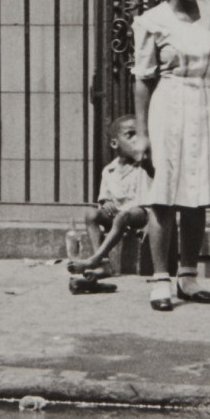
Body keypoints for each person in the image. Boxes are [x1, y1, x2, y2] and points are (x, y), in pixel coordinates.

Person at [129, 0, 210, 313]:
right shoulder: (152, 21)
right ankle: (161, 279)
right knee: (162, 195)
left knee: (197, 194)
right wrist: (142, 133)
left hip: (206, 105)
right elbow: (142, 79)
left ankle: (188, 276)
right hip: (168, 105)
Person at [73, 115, 151, 290]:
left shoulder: (145, 166)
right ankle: (104, 263)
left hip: (140, 215)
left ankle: (95, 259)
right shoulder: (109, 170)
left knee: (124, 215)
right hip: (119, 217)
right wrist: (106, 202)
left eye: (140, 134)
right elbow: (105, 198)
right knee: (91, 214)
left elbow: (152, 202)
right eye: (130, 134)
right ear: (115, 144)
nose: (137, 139)